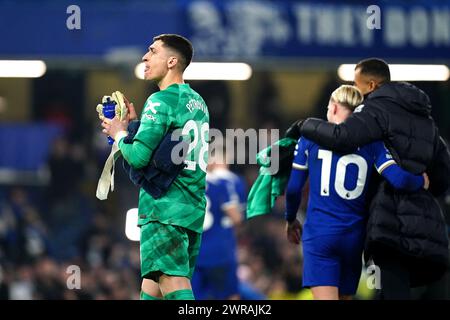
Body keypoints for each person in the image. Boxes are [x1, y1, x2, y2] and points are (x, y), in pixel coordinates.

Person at [298, 58, 450, 299]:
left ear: (371, 85)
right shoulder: (426, 121)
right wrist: (424, 187)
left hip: (389, 220)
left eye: (357, 85)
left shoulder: (374, 111)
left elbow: (342, 136)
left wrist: (304, 126)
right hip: (426, 224)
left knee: (391, 289)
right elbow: (443, 172)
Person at [101, 34, 209, 300]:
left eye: (152, 51)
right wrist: (137, 126)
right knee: (152, 288)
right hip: (191, 208)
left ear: (172, 61)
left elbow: (138, 158)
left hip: (165, 210)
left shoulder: (160, 101)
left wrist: (118, 133)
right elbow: (166, 151)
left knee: (173, 283)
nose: (145, 57)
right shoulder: (198, 102)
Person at [192, 149, 246, 300]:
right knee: (230, 295)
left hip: (194, 252)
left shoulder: (189, 185)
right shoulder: (222, 184)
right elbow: (236, 218)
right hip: (219, 251)